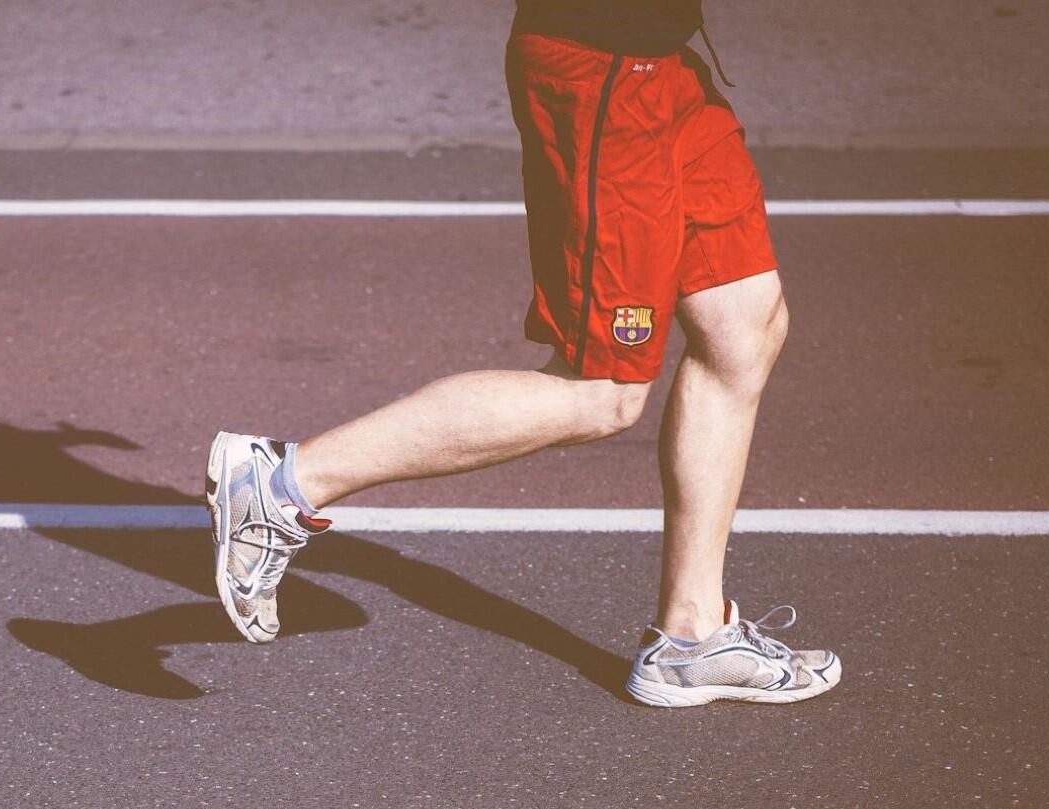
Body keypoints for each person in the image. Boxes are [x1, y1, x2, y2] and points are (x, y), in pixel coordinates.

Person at [206, 0, 840, 707]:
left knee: (744, 326)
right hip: (604, 68)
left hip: (665, 68)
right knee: (604, 391)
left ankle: (691, 638)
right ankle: (283, 485)